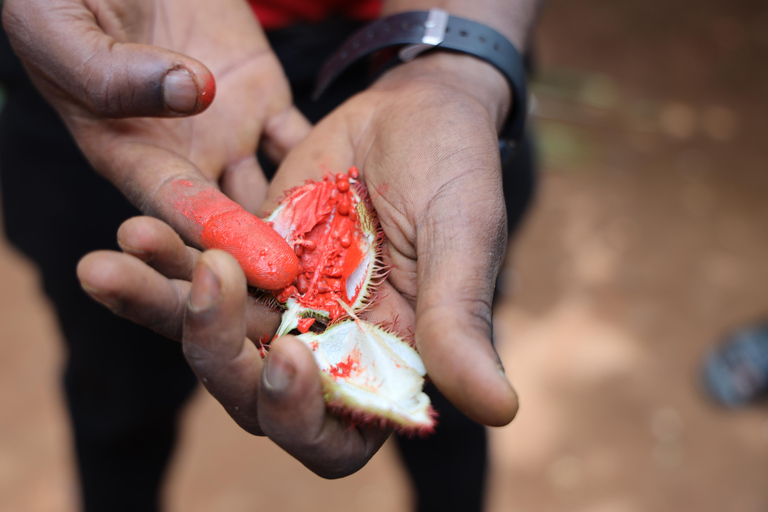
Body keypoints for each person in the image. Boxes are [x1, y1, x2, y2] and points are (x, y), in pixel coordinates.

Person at [0, 0, 538, 509]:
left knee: (447, 390)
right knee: (118, 400)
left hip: (400, 53)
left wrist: (454, 62)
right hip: (134, 63)